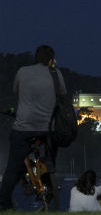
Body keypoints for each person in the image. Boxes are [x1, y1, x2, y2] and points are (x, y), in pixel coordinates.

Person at [0, 46, 66, 211]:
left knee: (12, 168)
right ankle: (47, 181)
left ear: (36, 58)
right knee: (49, 157)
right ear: (52, 59)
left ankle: (4, 203)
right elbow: (62, 93)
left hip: (23, 127)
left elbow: (16, 90)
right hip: (48, 129)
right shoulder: (55, 73)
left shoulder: (22, 72)